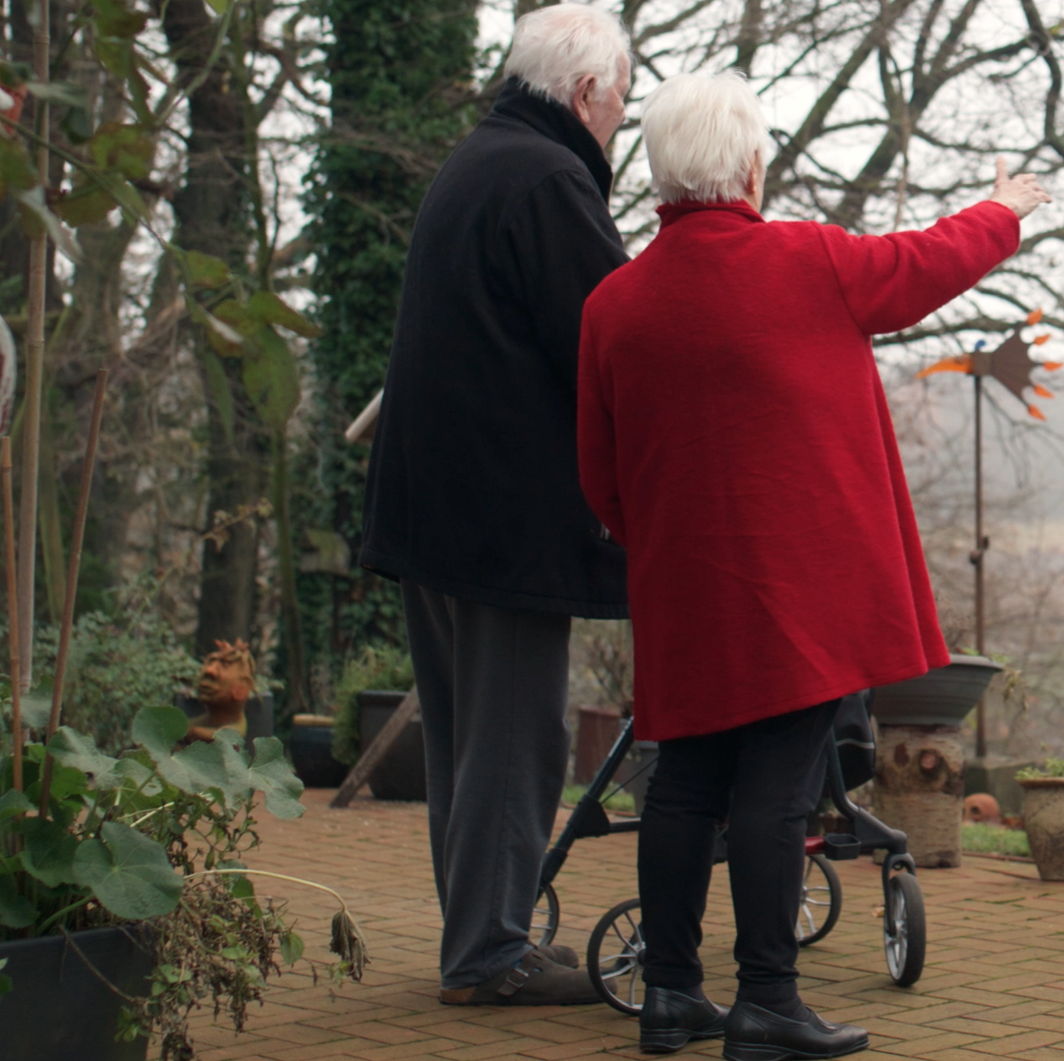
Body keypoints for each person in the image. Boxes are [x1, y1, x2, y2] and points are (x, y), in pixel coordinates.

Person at [577, 73, 1052, 1059]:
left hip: (681, 586)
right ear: (750, 166)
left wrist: (662, 541)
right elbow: (927, 263)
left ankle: (669, 995)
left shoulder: (612, 305)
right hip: (797, 587)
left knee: (681, 782)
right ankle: (767, 1000)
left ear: (659, 173)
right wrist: (1003, 209)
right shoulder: (810, 260)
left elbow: (599, 475)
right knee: (776, 789)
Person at [356, 3, 632, 1007]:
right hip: (499, 522)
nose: (615, 128)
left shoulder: (481, 159)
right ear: (588, 92)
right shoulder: (547, 178)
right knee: (517, 736)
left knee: (469, 735)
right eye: (619, 106)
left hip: (434, 509)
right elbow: (612, 337)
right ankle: (485, 953)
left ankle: (485, 933)